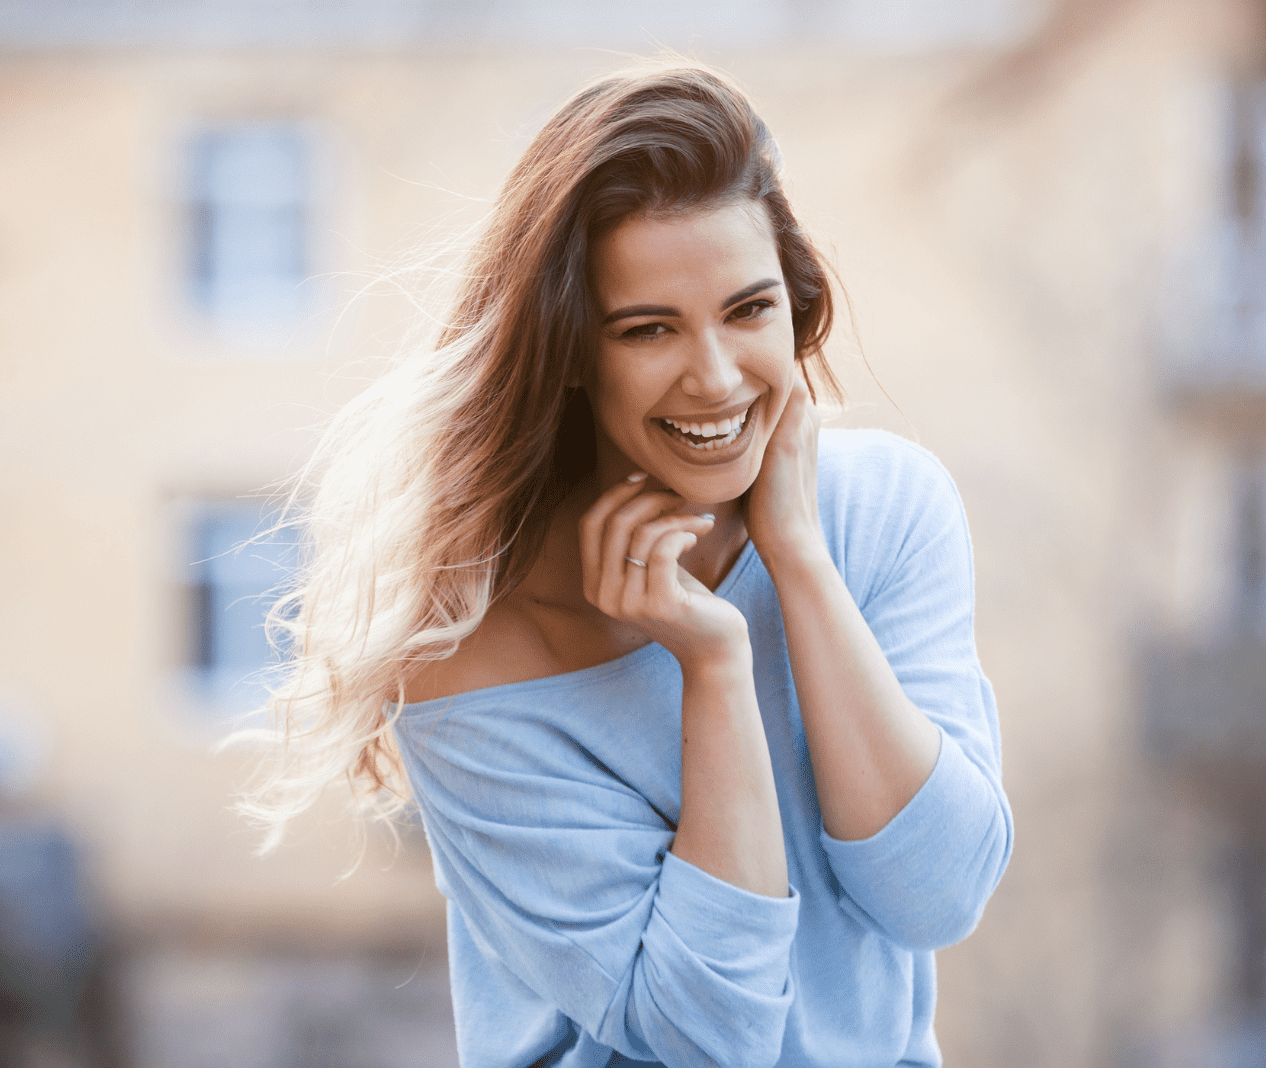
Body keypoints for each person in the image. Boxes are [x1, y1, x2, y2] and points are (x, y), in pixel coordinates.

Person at [243, 63, 1012, 1068]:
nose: (717, 375)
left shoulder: (887, 511)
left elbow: (938, 896)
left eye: (749, 310)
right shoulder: (469, 652)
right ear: (568, 349)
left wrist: (801, 565)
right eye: (649, 328)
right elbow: (705, 1037)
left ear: (797, 304)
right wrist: (713, 667)